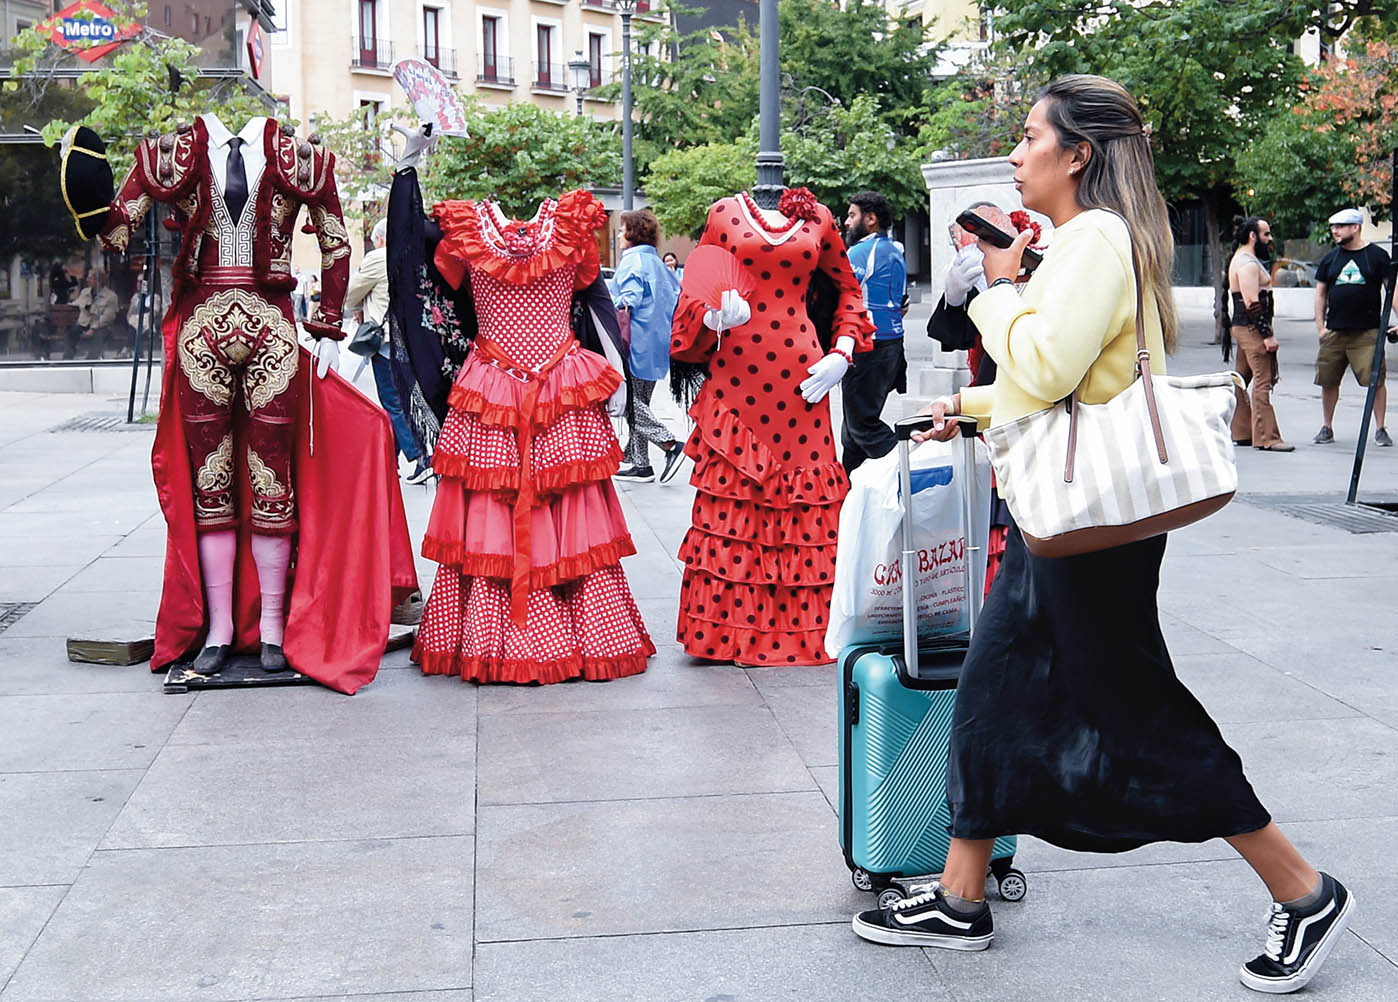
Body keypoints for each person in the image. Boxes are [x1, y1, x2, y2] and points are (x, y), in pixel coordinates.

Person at [853, 75, 1353, 996]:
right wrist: (960, 410)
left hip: (1094, 530)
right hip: (1060, 519)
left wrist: (1000, 289)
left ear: (1076, 154)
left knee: (1133, 707)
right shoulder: (1087, 242)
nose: (1015, 151)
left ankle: (1303, 887)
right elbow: (1071, 382)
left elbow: (1043, 367)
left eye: (1030, 135)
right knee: (996, 685)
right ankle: (961, 897)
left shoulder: (1096, 237)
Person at [86, 114, 419, 692]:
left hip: (265, 328)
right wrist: (85, 193)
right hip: (214, 334)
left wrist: (328, 323)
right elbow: (115, 233)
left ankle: (268, 629)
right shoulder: (171, 153)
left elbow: (338, 245)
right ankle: (219, 631)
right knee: (211, 484)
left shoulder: (297, 156)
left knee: (272, 481)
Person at [669, 186, 875, 666]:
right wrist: (711, 314)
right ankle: (728, 633)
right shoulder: (721, 214)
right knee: (734, 493)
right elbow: (695, 288)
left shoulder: (821, 218)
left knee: (806, 490)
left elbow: (848, 289)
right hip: (736, 370)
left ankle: (807, 630)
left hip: (803, 375)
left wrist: (843, 351)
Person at [345, 218, 433, 484]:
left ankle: (420, 456)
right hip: (411, 339)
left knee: (392, 402)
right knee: (403, 399)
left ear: (381, 238)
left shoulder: (378, 258)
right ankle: (390, 461)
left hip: (385, 340)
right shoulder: (415, 257)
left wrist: (360, 306)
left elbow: (350, 294)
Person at [611, 209, 685, 483]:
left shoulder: (633, 263)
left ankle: (668, 443)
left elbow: (628, 299)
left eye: (622, 230)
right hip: (656, 344)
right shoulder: (657, 265)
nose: (619, 235)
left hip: (635, 343)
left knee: (630, 403)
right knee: (640, 401)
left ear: (632, 234)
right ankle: (639, 463)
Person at [1313, 208, 1393, 447]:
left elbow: (1392, 291)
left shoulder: (1377, 256)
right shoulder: (1330, 259)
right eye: (1333, 227)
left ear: (1355, 227)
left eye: (1340, 226)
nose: (1334, 231)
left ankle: (1380, 429)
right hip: (1335, 331)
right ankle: (1326, 427)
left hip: (1367, 332)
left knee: (1376, 380)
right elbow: (1320, 294)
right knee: (1328, 380)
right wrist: (1320, 327)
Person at [840, 190, 907, 472]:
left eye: (852, 215)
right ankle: (846, 489)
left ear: (870, 219)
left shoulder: (859, 253)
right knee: (853, 432)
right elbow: (902, 303)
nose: (846, 222)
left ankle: (910, 463)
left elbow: (838, 293)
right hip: (891, 346)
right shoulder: (896, 250)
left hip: (869, 346)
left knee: (862, 426)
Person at [1228, 216, 1293, 450]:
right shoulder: (1246, 263)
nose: (1270, 238)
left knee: (1240, 379)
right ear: (1253, 236)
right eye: (1266, 234)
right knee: (1263, 381)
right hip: (1251, 328)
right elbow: (1251, 302)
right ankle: (1268, 438)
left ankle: (1243, 430)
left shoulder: (1246, 260)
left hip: (1246, 326)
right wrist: (1267, 335)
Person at [70, 269, 118, 359]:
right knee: (71, 332)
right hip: (85, 324)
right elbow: (76, 303)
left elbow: (107, 318)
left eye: (90, 278)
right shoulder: (85, 292)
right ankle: (67, 360)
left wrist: (93, 329)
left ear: (98, 280)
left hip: (102, 327)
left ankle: (91, 360)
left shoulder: (111, 296)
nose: (87, 280)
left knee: (99, 336)